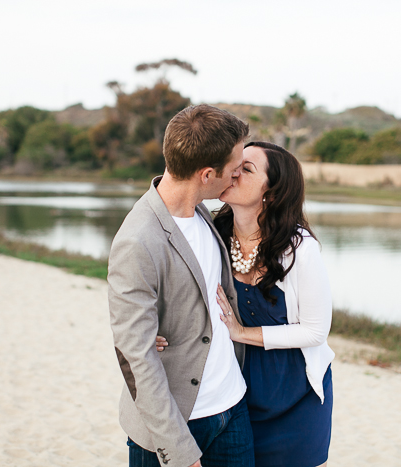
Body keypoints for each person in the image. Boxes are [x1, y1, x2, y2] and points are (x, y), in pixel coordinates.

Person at [157, 141, 335, 467]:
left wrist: (241, 332)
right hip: (233, 393)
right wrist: (156, 326)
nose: (234, 172)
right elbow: (174, 283)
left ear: (272, 192)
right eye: (236, 164)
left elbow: (316, 331)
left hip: (296, 395)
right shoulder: (211, 233)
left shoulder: (300, 249)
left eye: (247, 169)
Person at [108, 104, 255, 467]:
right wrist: (179, 452)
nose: (237, 176)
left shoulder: (202, 211)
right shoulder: (138, 241)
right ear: (207, 175)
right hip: (176, 425)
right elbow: (136, 355)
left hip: (232, 408)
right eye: (234, 170)